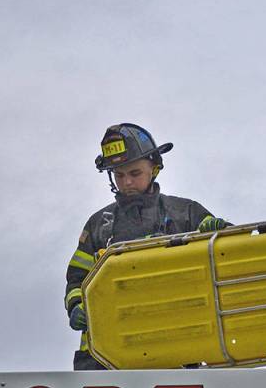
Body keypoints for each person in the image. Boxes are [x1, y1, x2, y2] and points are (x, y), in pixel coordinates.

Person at [64, 123, 228, 370]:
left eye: (135, 173)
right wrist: (76, 305)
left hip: (179, 354)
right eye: (119, 175)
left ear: (155, 169)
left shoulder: (186, 213)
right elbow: (77, 277)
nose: (126, 182)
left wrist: (220, 234)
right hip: (106, 362)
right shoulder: (100, 225)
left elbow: (227, 257)